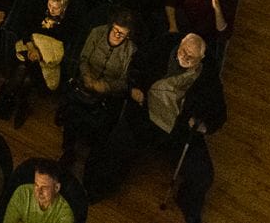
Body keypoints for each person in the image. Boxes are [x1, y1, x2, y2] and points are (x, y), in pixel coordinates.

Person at [86, 32, 224, 221]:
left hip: (178, 129)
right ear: (180, 43)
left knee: (203, 173)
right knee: (115, 149)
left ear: (201, 59)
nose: (184, 56)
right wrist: (134, 88)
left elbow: (219, 111)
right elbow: (136, 66)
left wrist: (203, 126)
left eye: (191, 57)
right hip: (145, 116)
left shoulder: (207, 75)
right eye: (183, 50)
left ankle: (187, 201)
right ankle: (97, 190)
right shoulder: (162, 45)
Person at [0, 0, 74, 126]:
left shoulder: (67, 22)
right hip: (30, 48)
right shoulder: (40, 10)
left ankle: (4, 101)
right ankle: (22, 105)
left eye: (56, 8)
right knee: (25, 74)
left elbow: (62, 45)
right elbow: (25, 28)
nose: (51, 10)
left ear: (63, 7)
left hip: (47, 60)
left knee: (24, 73)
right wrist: (31, 47)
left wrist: (40, 54)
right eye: (50, 5)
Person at [1, 162, 74, 223]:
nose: (39, 192)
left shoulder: (64, 214)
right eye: (36, 185)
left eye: (44, 187)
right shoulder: (22, 193)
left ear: (56, 188)